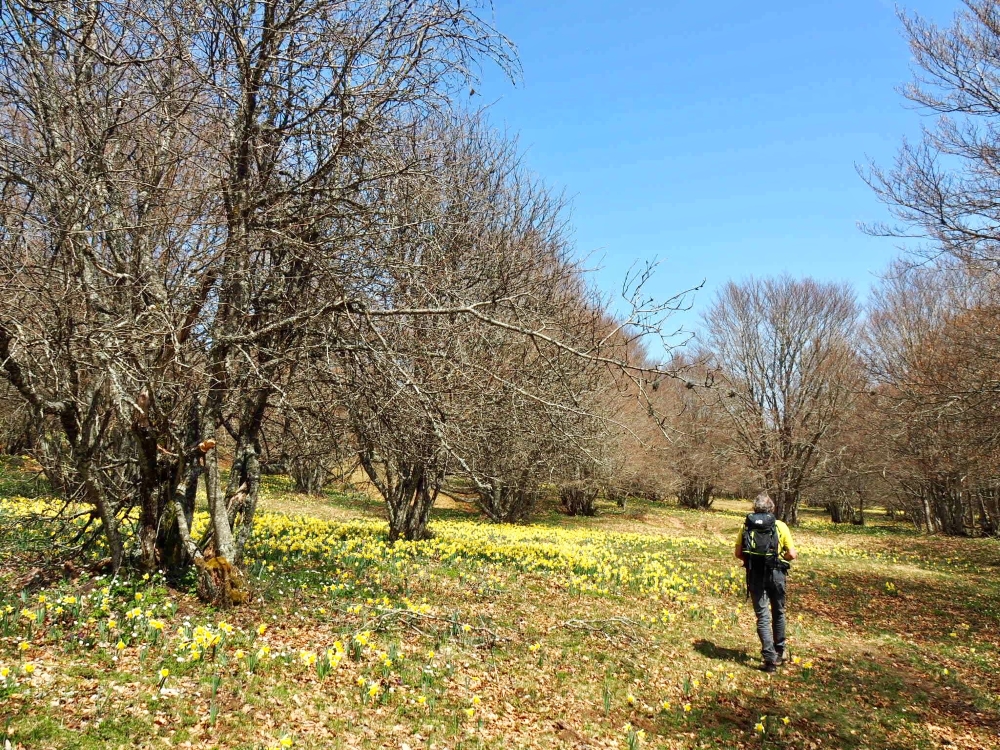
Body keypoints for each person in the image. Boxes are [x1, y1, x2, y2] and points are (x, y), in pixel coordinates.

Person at [734, 492, 797, 672]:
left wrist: (750, 560)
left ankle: (769, 660)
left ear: (754, 508)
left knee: (762, 615)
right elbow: (792, 554)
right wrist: (780, 558)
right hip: (776, 574)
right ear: (772, 508)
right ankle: (780, 651)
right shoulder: (780, 526)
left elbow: (738, 553)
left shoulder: (746, 526)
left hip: (755, 575)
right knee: (778, 612)